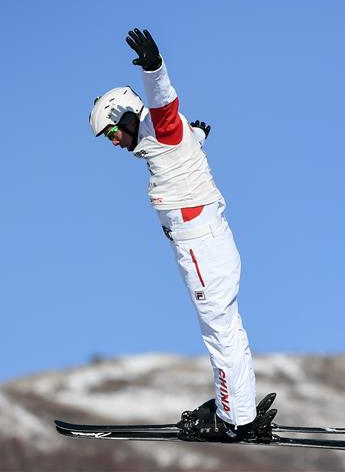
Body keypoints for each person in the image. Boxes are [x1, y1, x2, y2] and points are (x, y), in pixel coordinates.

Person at [89, 28, 263, 442]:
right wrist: (199, 137)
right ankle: (240, 408)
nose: (114, 143)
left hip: (199, 244)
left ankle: (235, 421)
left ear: (126, 117)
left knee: (218, 331)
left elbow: (164, 101)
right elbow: (181, 149)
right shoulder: (161, 140)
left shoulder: (160, 128)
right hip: (209, 240)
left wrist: (154, 66)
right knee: (227, 327)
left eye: (112, 133)